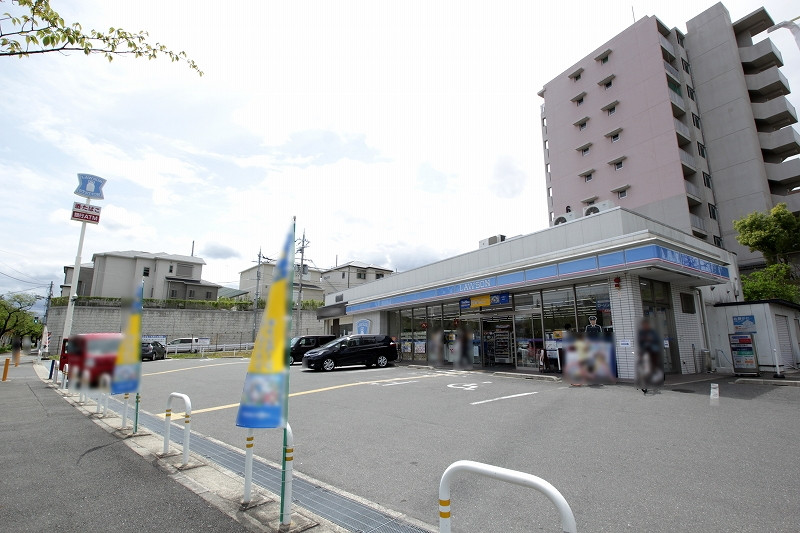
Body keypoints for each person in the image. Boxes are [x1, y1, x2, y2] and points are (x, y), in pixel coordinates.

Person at [636, 317, 664, 394]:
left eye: (646, 324)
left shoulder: (653, 332)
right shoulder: (641, 333)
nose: (645, 326)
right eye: (643, 325)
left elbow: (657, 340)